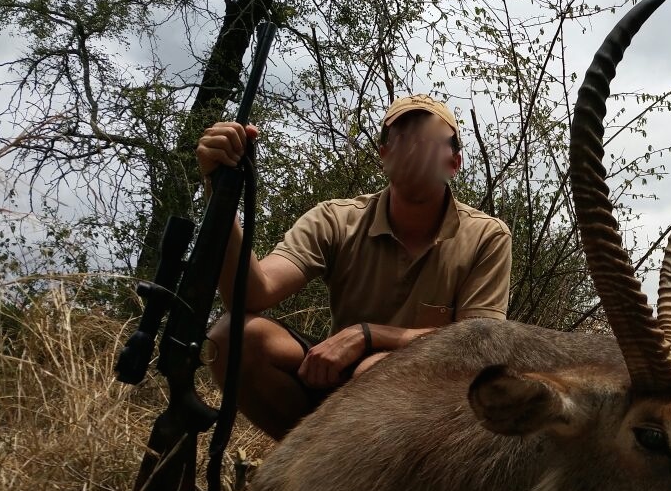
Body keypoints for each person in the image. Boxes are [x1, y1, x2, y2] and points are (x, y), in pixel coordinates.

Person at [195, 95, 512, 439]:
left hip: (426, 405)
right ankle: (305, 465)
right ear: (384, 156)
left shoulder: (486, 235)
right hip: (335, 382)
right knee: (231, 337)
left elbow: (479, 341)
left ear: (453, 163)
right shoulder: (336, 218)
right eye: (402, 140)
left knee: (373, 370)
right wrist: (220, 189)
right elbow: (251, 294)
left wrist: (368, 335)